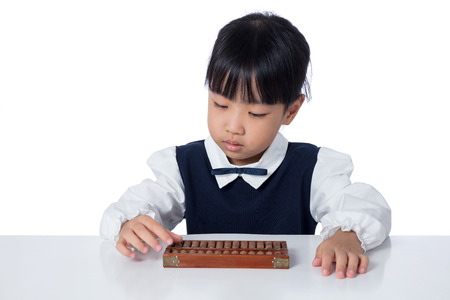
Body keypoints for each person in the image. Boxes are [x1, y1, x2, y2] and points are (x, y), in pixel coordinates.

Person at [100, 12, 391, 279]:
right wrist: (131, 223)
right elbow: (133, 205)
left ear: (290, 111)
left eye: (255, 113)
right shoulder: (183, 165)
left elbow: (362, 203)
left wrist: (347, 234)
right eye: (220, 104)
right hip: (205, 290)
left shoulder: (312, 168)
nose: (233, 126)